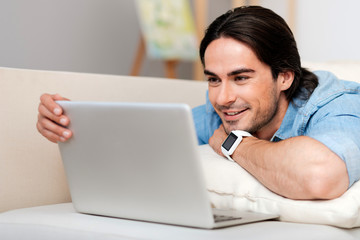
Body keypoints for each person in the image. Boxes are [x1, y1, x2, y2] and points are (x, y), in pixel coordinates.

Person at [37, 6, 360, 200]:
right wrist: (68, 123)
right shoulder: (222, 112)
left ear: (284, 78)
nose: (222, 98)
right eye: (213, 79)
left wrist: (232, 143)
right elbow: (140, 143)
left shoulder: (338, 104)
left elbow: (321, 176)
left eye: (241, 77)